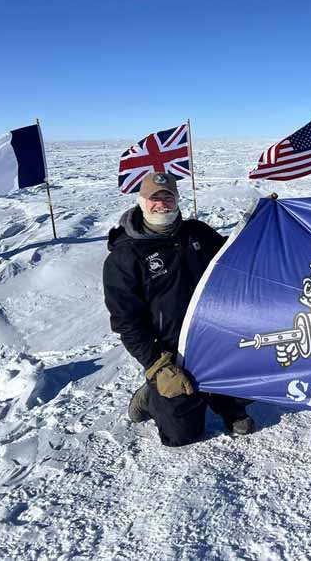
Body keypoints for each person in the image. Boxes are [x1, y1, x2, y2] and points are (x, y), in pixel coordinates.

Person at [103, 171, 254, 446]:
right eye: (154, 198)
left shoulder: (197, 233)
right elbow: (127, 322)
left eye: (168, 197)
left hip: (214, 337)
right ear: (141, 202)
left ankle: (227, 402)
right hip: (171, 354)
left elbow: (235, 258)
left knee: (258, 365)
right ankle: (151, 397)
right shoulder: (125, 257)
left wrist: (261, 222)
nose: (162, 204)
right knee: (182, 435)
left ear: (177, 200)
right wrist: (157, 366)